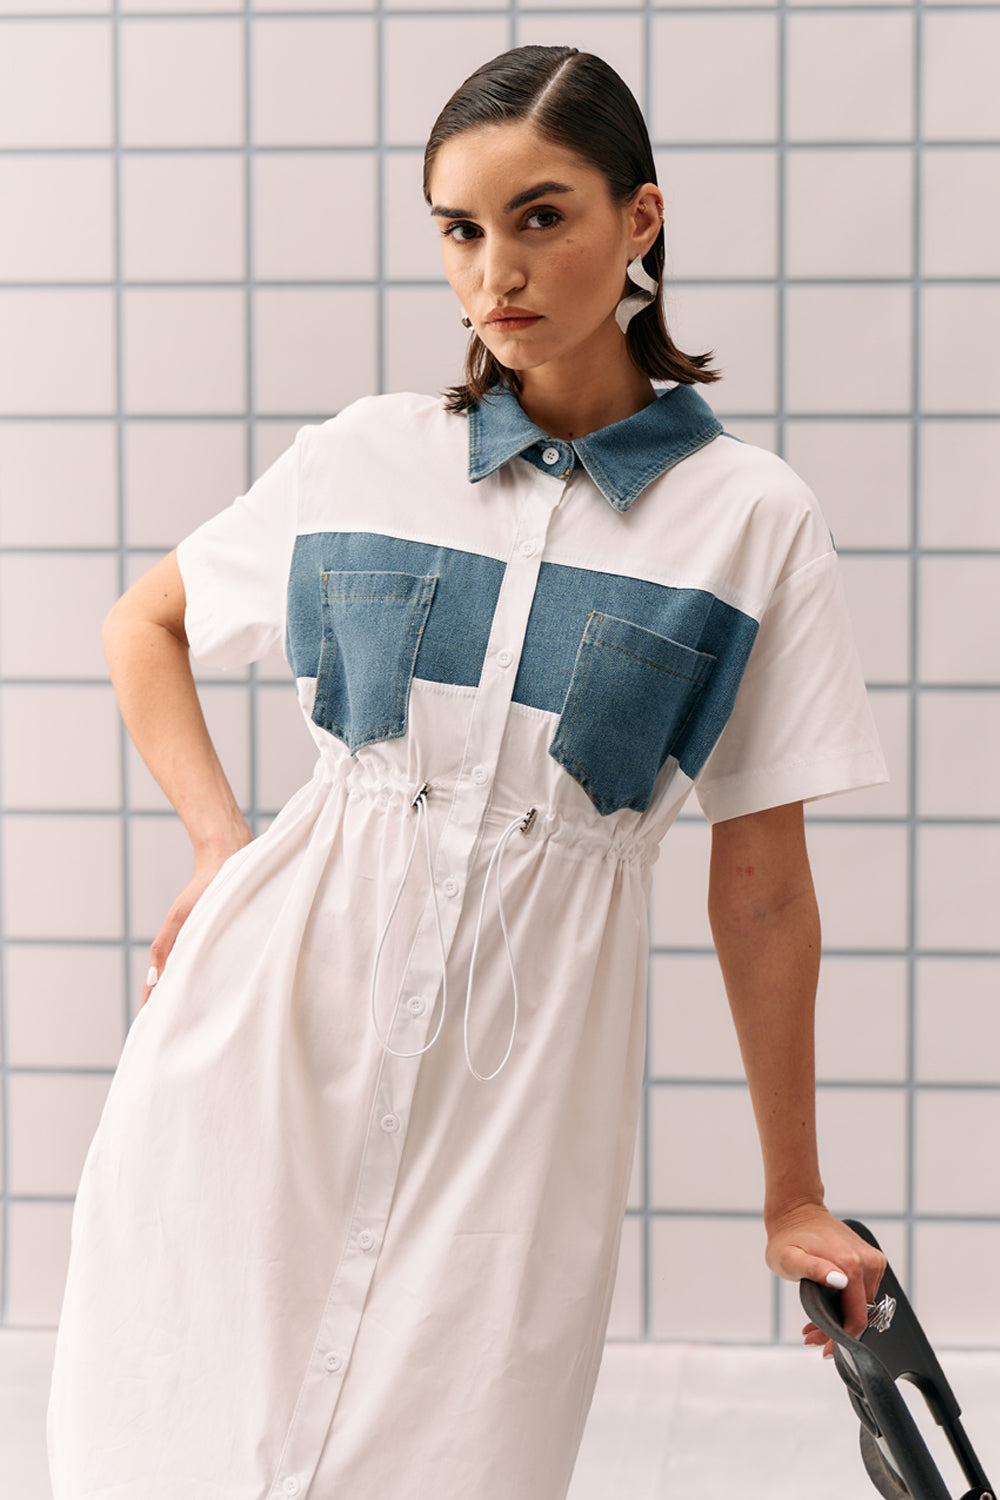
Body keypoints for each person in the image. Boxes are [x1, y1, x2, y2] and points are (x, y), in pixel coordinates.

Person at [47, 44, 889, 1500]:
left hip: (525, 1089)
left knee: (460, 1443)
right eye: (460, 228)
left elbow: (761, 885)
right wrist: (219, 848)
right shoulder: (364, 456)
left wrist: (793, 1195)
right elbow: (147, 623)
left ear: (640, 219)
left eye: (541, 217)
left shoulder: (752, 522)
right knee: (171, 1426)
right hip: (269, 1035)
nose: (496, 271)